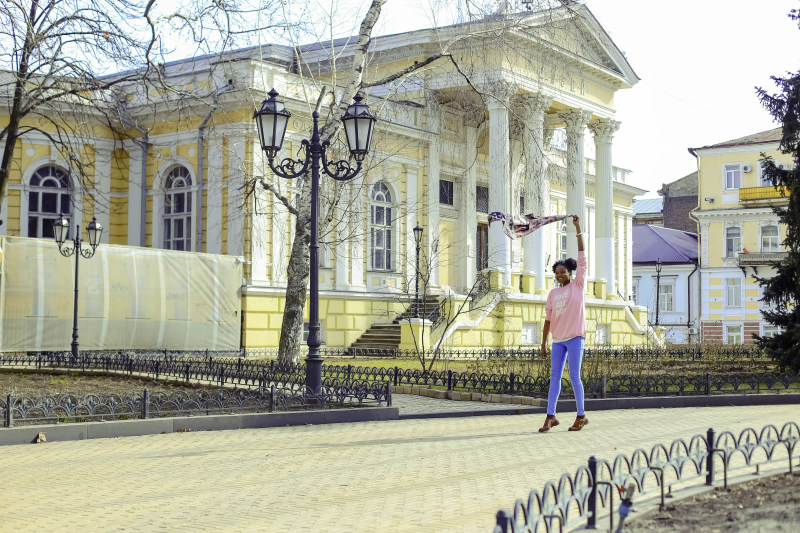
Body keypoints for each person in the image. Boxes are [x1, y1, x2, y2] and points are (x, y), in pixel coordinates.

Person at [538, 214, 588, 432]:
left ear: (570, 273)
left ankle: (581, 416)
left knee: (575, 376)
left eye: (563, 272)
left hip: (575, 337)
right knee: (554, 378)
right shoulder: (552, 293)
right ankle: (550, 416)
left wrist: (577, 229)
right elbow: (548, 320)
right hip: (558, 341)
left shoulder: (578, 285)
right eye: (557, 273)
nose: (560, 275)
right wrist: (543, 344)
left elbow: (582, 256)